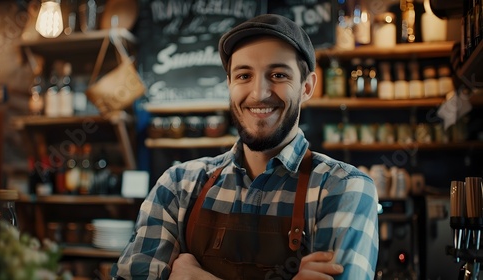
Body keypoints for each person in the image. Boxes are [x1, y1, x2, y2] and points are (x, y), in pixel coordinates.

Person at [111, 14, 378, 280]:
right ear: (229, 84)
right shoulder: (178, 186)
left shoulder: (344, 188)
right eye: (244, 75)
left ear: (306, 87)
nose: (259, 93)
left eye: (278, 74)